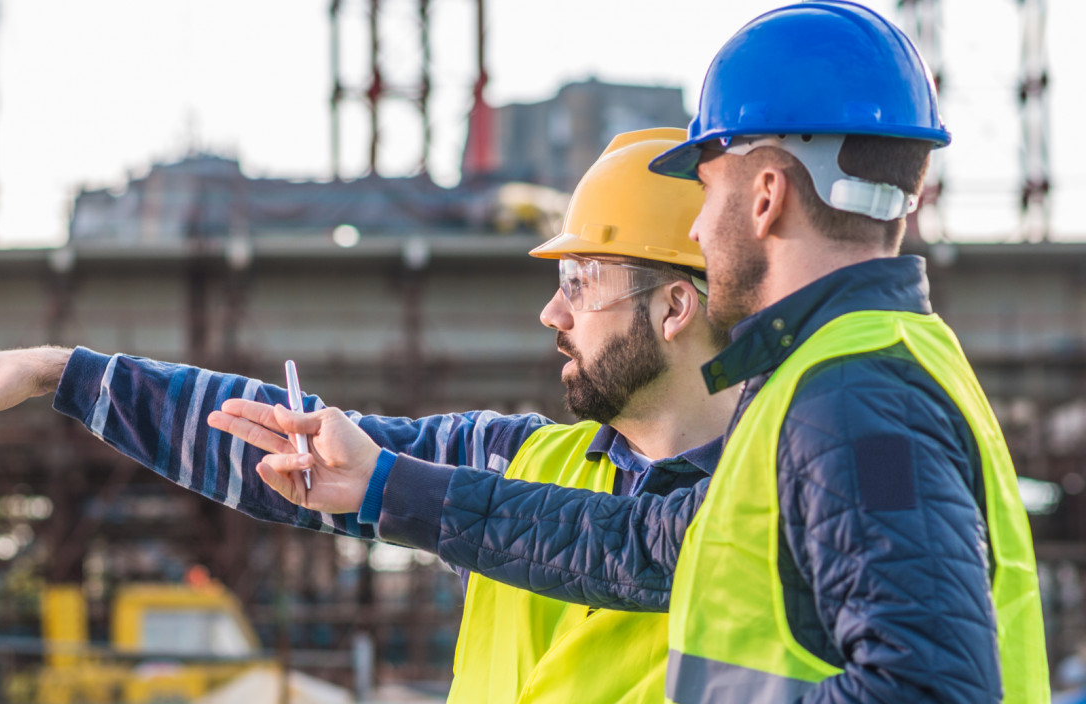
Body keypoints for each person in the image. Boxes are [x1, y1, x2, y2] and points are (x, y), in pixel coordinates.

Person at [214, 3, 1048, 702]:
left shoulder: (856, 397)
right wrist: (386, 484)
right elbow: (636, 545)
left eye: (708, 186)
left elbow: (933, 690)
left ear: (766, 195)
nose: (692, 225)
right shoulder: (837, 375)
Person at [0, 128, 735, 703]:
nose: (552, 315)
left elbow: (630, 545)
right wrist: (63, 373)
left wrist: (394, 486)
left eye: (578, 286)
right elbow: (284, 445)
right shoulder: (517, 459)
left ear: (672, 307)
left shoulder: (779, 504)